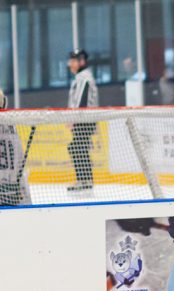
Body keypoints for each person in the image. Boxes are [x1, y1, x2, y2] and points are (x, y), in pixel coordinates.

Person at [66, 48, 99, 192]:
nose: (70, 64)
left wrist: (74, 119)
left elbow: (81, 101)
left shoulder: (84, 78)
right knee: (78, 147)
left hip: (84, 120)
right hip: (83, 119)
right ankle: (84, 179)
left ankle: (84, 180)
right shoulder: (81, 77)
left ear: (82, 62)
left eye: (73, 61)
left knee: (77, 147)